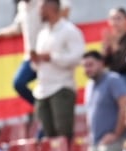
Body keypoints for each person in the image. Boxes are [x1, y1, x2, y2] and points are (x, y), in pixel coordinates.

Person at [31, 0, 84, 142]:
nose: (38, 12)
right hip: (43, 89)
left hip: (61, 87)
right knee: (49, 136)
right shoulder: (42, 34)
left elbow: (77, 58)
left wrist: (52, 57)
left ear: (51, 7)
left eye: (41, 8)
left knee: (63, 134)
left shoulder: (69, 30)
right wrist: (36, 60)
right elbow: (38, 64)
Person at [103, 6, 126, 99]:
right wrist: (106, 50)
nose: (115, 22)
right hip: (111, 78)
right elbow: (104, 63)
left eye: (118, 18)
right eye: (112, 19)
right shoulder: (109, 40)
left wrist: (116, 49)